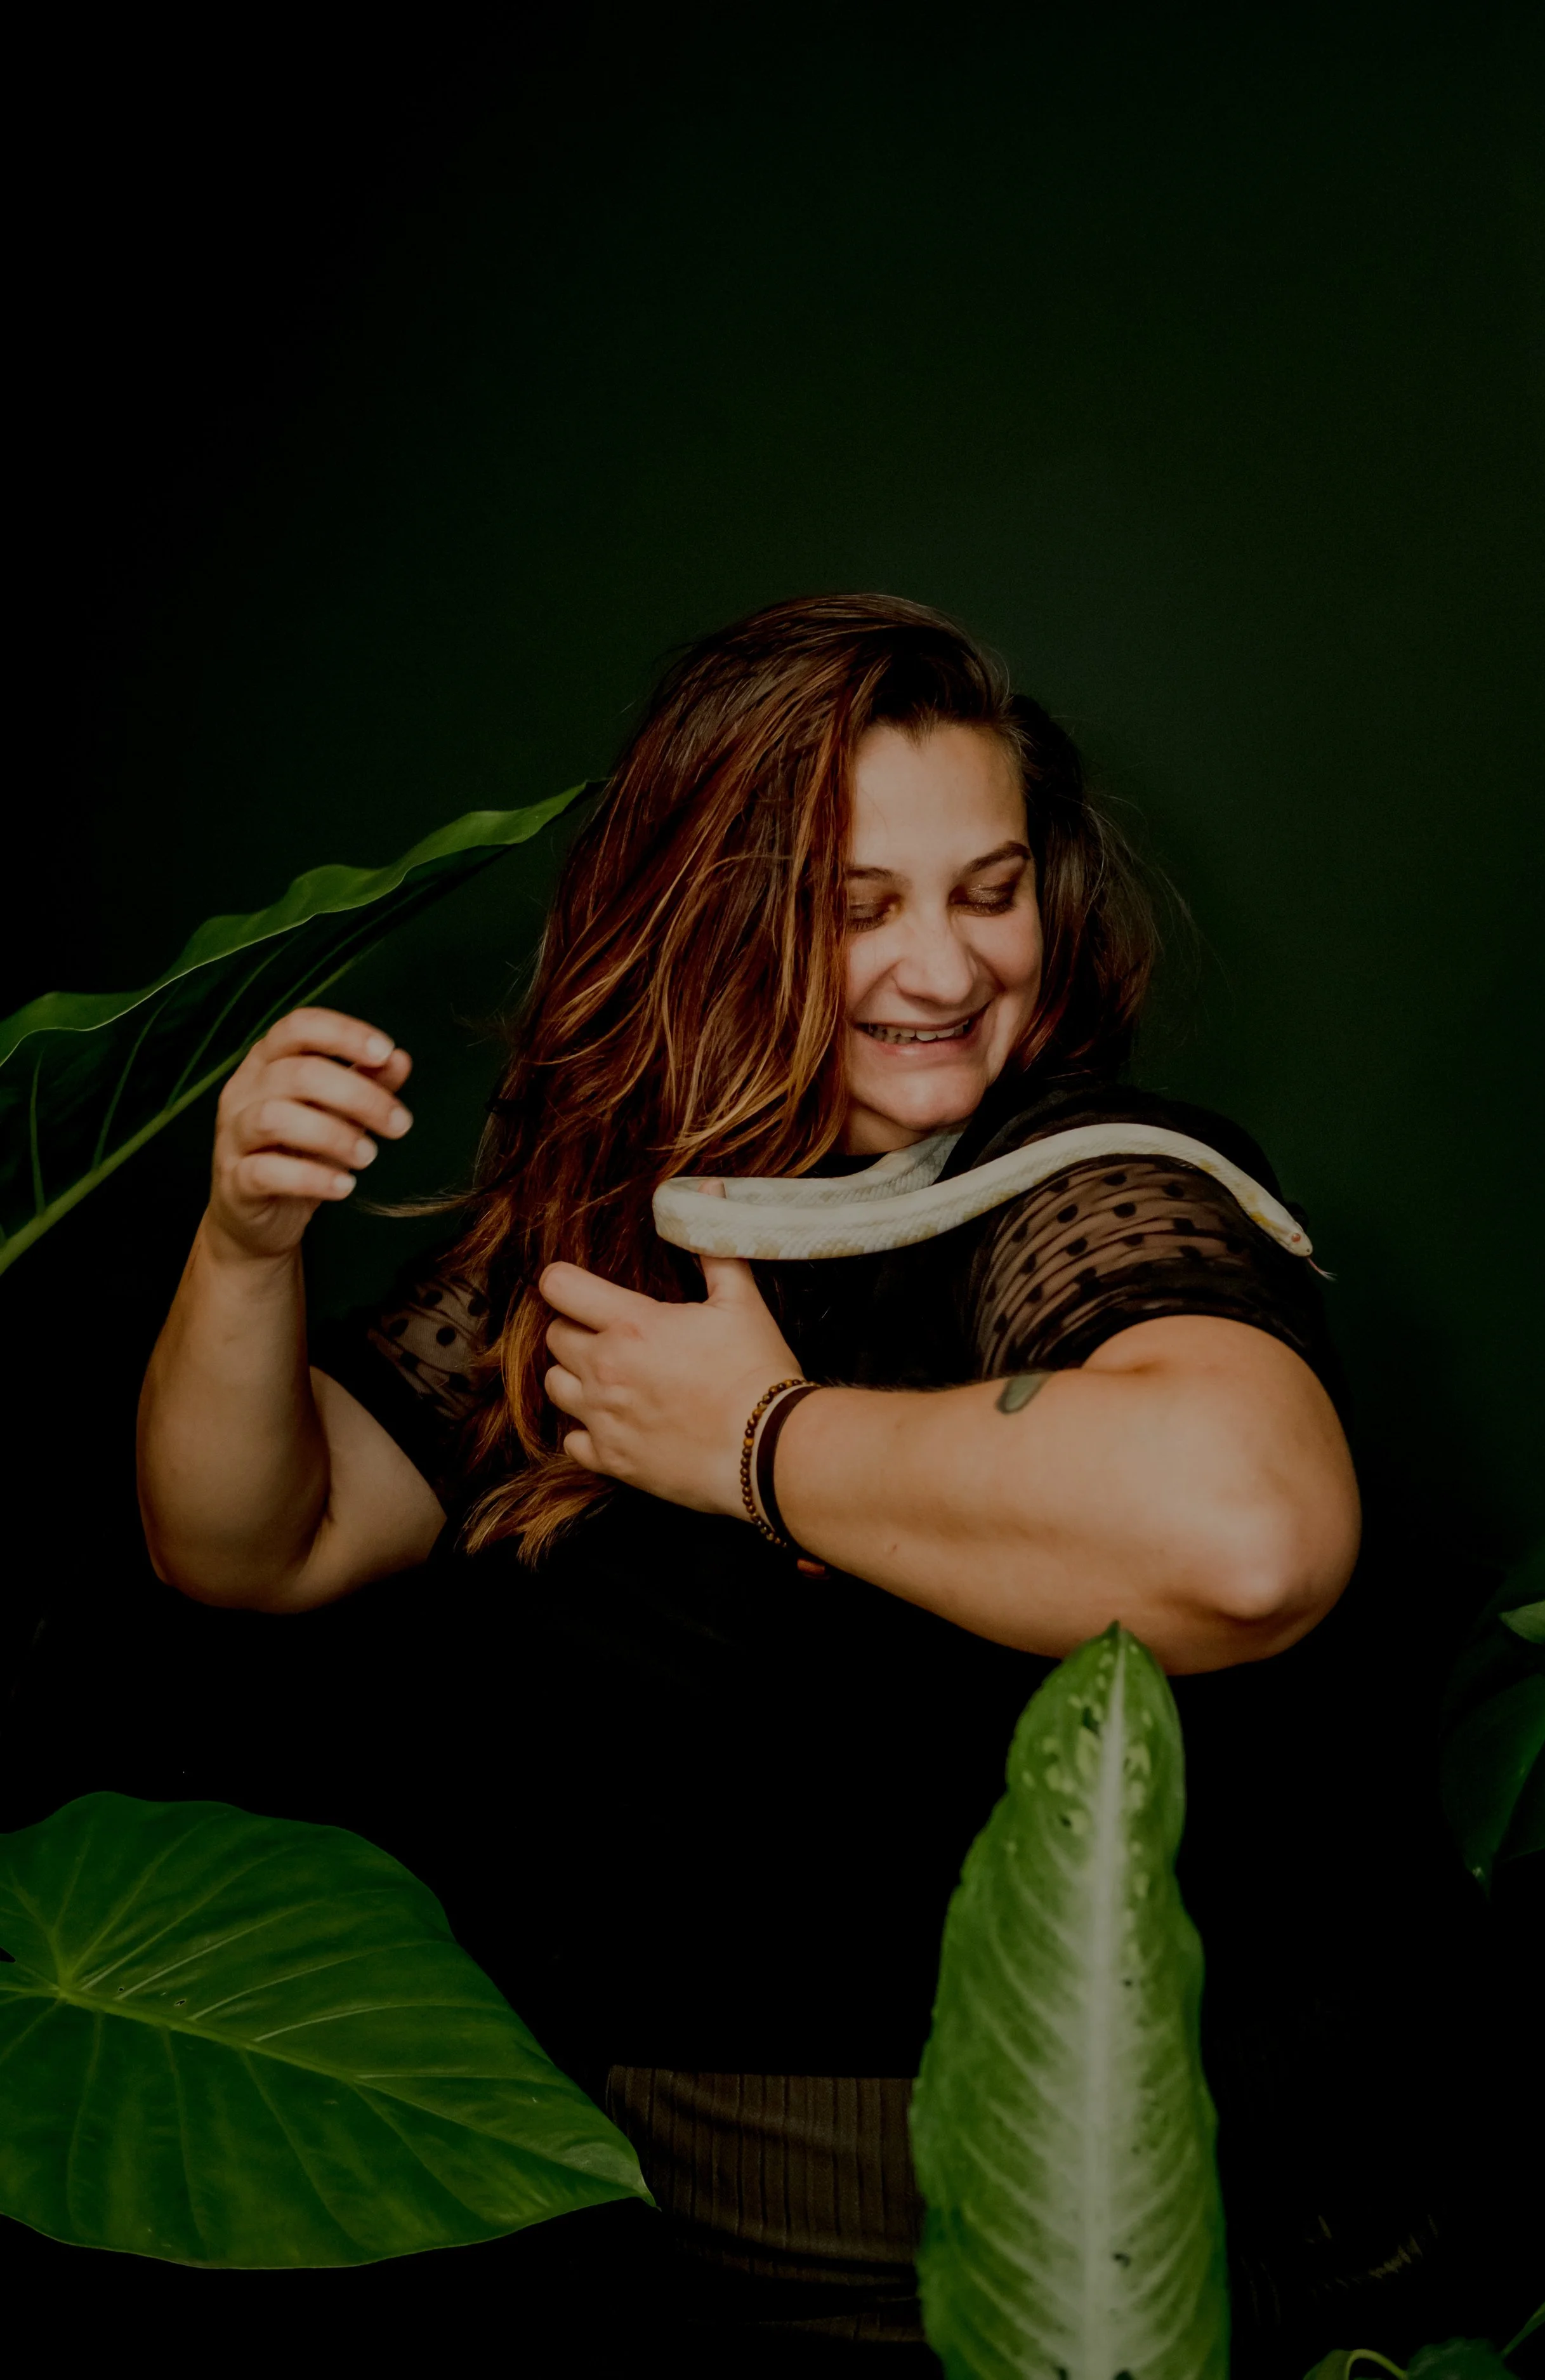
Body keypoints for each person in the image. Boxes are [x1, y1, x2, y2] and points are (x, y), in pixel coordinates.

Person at [137, 595, 1362, 2358]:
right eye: (856, 907)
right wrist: (245, 1244)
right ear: (710, 907)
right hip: (587, 2199)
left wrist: (754, 1445)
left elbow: (1245, 1538)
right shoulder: (623, 1209)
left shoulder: (1061, 1171)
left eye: (988, 889)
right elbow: (254, 1540)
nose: (942, 972)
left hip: (937, 2233)